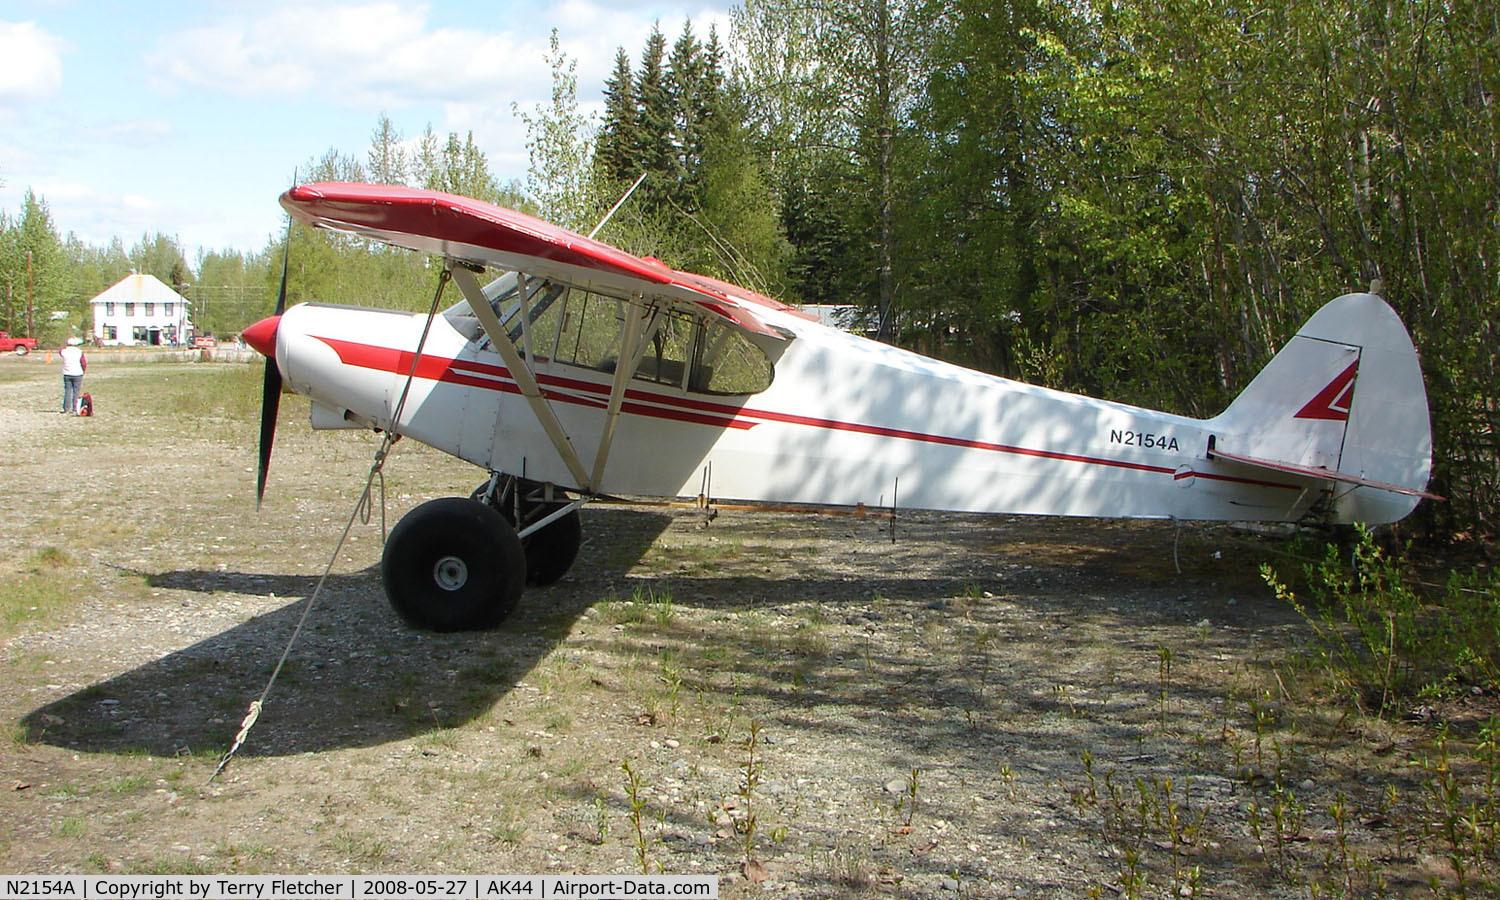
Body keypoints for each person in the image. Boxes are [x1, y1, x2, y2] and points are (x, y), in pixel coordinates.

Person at [59, 337, 87, 414]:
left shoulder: (63, 351)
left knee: (67, 391)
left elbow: (60, 350)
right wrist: (83, 370)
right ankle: (75, 408)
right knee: (76, 392)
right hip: (77, 373)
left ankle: (66, 408)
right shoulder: (79, 351)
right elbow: (83, 363)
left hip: (67, 373)